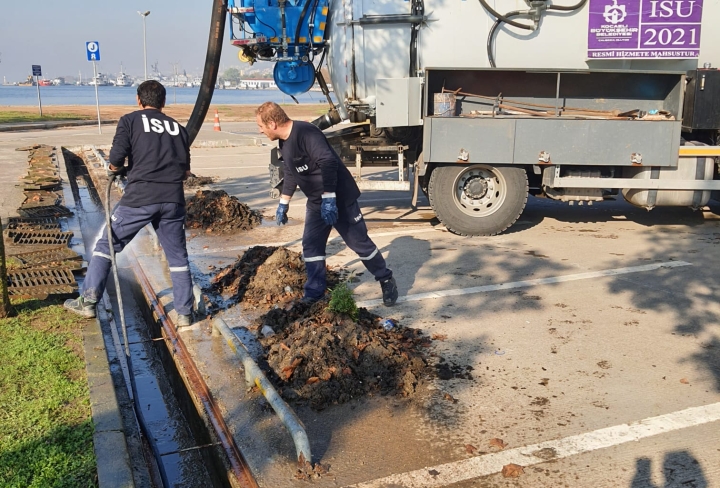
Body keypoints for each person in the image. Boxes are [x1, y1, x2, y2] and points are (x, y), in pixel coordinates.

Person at [65, 80, 195, 326]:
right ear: (163, 102)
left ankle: (88, 301)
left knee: (106, 244)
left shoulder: (130, 120)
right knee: (178, 257)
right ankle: (185, 313)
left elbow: (115, 159)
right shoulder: (179, 128)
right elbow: (186, 171)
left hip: (140, 198)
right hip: (173, 200)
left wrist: (116, 169)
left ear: (138, 100)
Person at [256, 101, 398, 306]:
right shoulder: (284, 142)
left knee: (359, 244)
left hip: (339, 198)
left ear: (272, 123)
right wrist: (283, 202)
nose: (260, 131)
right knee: (311, 246)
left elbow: (328, 161)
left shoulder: (307, 133)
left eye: (261, 126)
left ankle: (385, 278)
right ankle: (314, 292)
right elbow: (290, 171)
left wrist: (330, 197)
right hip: (316, 203)